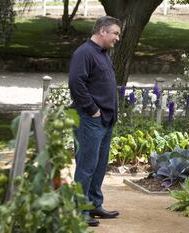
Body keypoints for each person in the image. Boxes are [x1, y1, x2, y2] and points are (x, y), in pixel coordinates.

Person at [69, 16, 122, 227]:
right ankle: (80, 210)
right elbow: (76, 83)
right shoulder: (84, 53)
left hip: (105, 121)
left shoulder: (103, 54)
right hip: (89, 120)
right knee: (86, 166)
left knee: (99, 166)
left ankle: (94, 205)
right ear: (102, 31)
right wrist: (92, 110)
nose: (117, 38)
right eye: (115, 33)